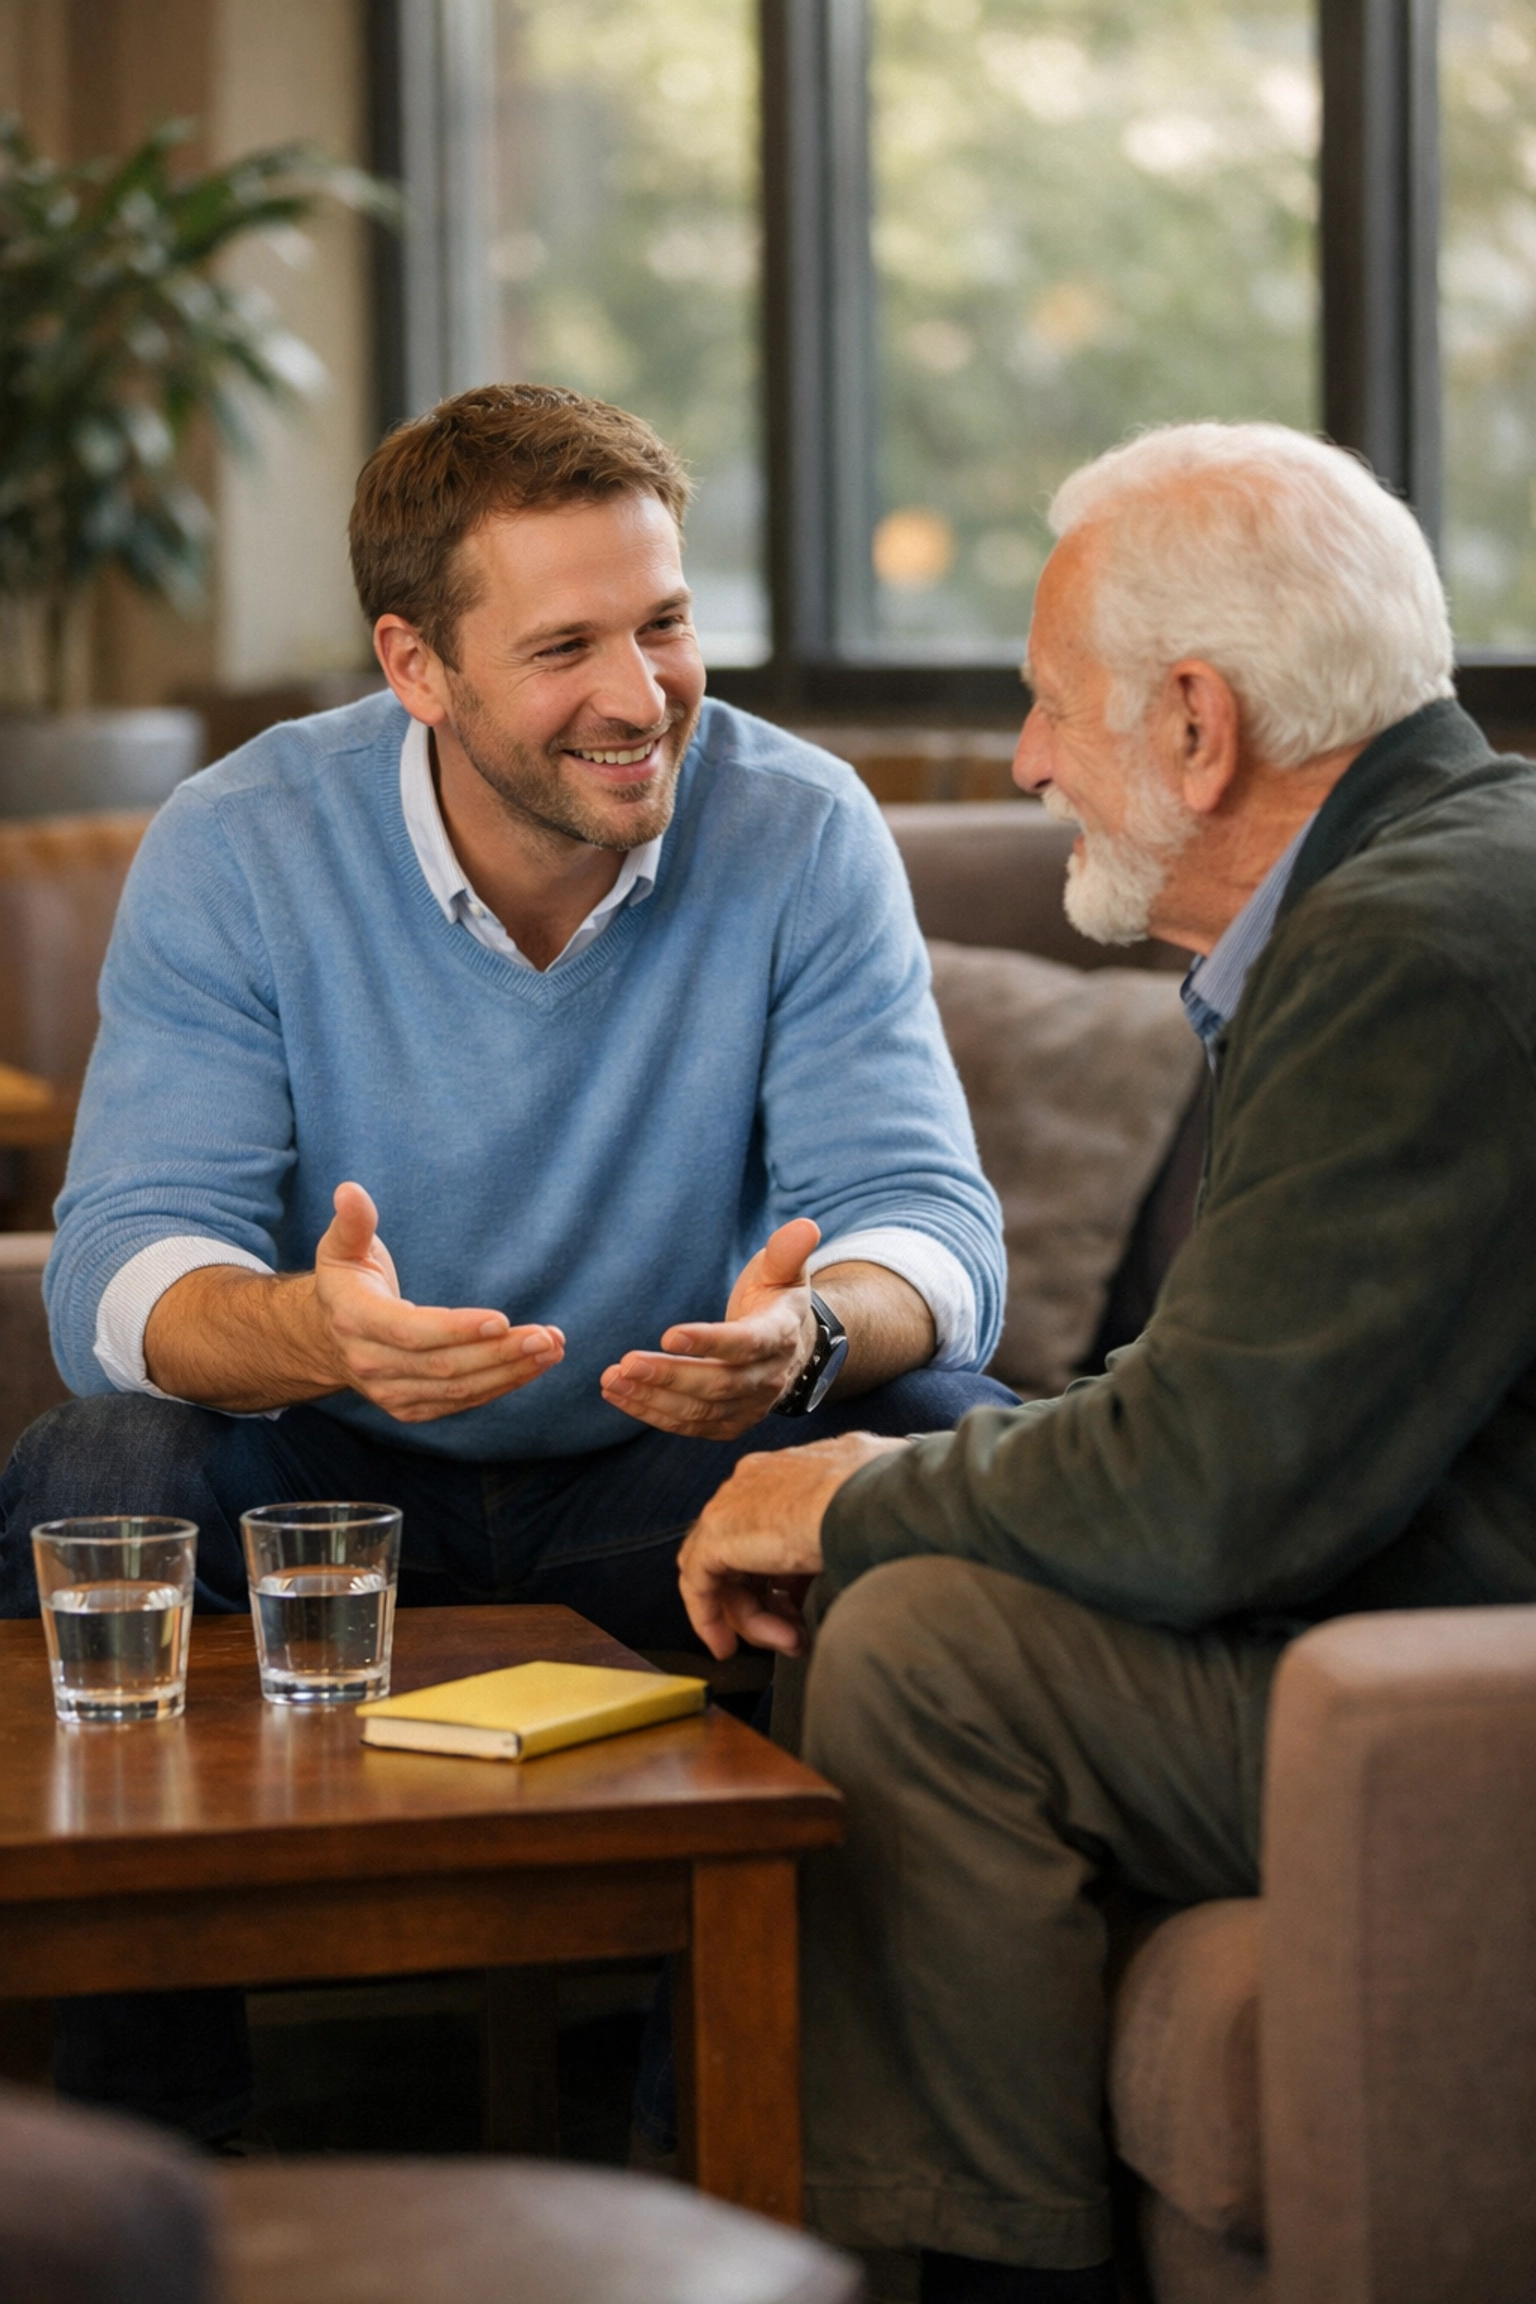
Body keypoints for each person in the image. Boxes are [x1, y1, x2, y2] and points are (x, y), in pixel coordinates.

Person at [0, 382, 1010, 2140]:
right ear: (415, 664)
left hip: (662, 1483)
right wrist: (312, 1330)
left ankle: (710, 2163)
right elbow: (119, 1268)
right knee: (97, 1468)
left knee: (939, 1427)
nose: (641, 696)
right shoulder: (244, 843)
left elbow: (929, 1220)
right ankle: (152, 2177)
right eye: (566, 647)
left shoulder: (803, 825)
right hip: (330, 1496)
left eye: (668, 622)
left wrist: (815, 1335)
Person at [676, 421, 1536, 2304]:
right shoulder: (1436, 878)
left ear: (1200, 725)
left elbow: (1209, 1491)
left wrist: (860, 1493)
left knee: (924, 1647)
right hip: (1420, 1605)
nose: (1028, 762)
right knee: (934, 1527)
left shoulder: (1411, 953)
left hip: (1464, 1689)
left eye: (1052, 705)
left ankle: (965, 2276)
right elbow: (1239, 1403)